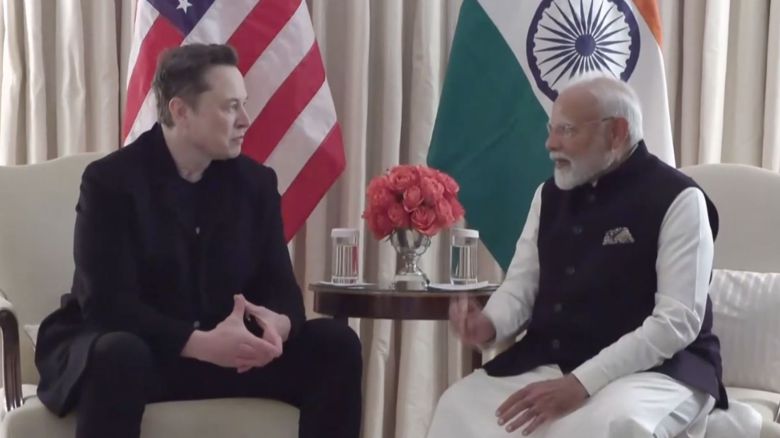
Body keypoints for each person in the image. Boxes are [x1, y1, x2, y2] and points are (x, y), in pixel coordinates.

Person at [34, 43, 362, 438]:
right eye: (230, 107)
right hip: (147, 352)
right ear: (180, 111)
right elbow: (107, 304)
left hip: (232, 357)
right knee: (119, 353)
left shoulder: (256, 184)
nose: (245, 120)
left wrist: (278, 325)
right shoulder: (111, 181)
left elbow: (282, 290)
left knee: (336, 344)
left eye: (243, 105)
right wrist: (200, 343)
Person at [426, 74, 727, 438]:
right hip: (554, 361)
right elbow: (521, 285)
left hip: (659, 370)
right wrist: (488, 324)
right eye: (551, 129)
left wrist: (581, 383)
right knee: (458, 405)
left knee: (608, 425)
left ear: (616, 132)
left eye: (567, 130)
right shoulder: (548, 195)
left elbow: (676, 323)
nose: (551, 144)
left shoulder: (680, 199)